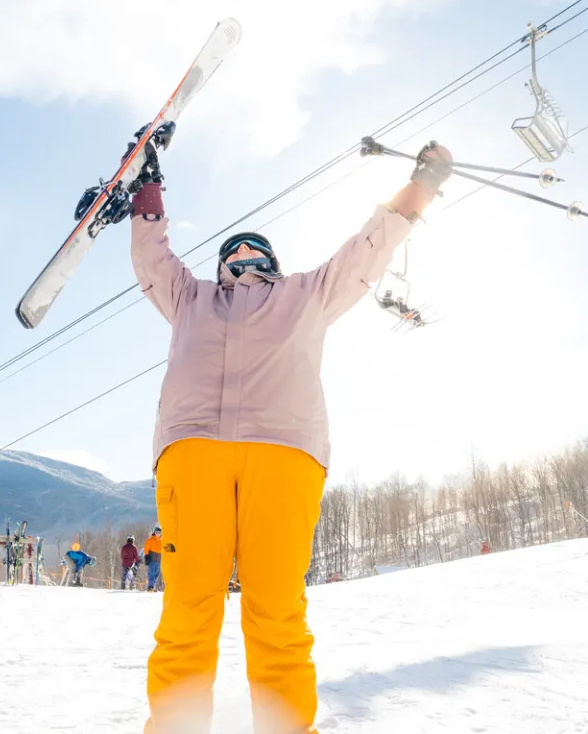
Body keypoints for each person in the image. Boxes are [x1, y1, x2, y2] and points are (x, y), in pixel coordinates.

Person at [131, 139, 452, 733]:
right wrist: (147, 198)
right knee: (187, 612)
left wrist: (421, 186)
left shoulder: (308, 293)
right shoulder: (190, 297)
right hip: (193, 450)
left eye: (256, 249)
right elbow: (153, 260)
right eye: (234, 250)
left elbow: (367, 251)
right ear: (221, 263)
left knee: (276, 612)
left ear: (274, 260)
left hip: (285, 455)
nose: (245, 254)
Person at [144, 526, 164, 592]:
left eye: (159, 533)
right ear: (154, 532)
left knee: (156, 574)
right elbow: (146, 549)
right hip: (152, 560)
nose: (158, 534)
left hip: (158, 561)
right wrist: (146, 556)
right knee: (151, 574)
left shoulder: (162, 541)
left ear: (161, 534)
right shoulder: (150, 540)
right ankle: (150, 587)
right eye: (156, 532)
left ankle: (153, 586)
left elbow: (164, 549)